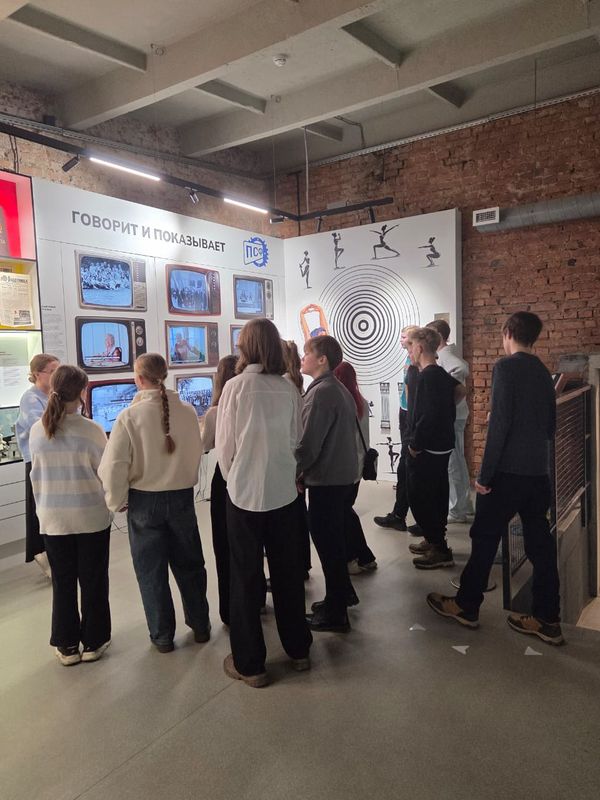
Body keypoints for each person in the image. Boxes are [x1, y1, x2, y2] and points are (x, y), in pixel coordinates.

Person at [427, 312, 563, 645]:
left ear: (508, 333)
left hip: (507, 473)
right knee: (540, 546)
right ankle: (548, 619)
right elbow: (550, 424)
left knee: (485, 537)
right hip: (538, 472)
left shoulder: (506, 368)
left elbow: (500, 425)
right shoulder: (543, 371)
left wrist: (485, 476)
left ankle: (467, 606)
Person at [216, 319, 312, 688]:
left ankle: (251, 664)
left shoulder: (235, 387)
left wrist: (235, 479)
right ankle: (299, 649)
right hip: (283, 493)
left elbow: (226, 447)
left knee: (245, 577)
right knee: (288, 573)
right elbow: (296, 439)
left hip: (244, 494)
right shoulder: (288, 388)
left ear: (245, 347)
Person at [99, 353, 209, 653]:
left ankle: (162, 637)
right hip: (182, 498)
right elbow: (197, 451)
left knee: (151, 572)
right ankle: (201, 625)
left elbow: (114, 465)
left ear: (139, 379)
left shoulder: (129, 417)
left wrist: (116, 500)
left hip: (144, 503)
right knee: (191, 565)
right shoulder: (187, 411)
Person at [29, 365, 111, 666]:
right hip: (91, 518)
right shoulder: (93, 430)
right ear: (82, 392)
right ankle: (94, 641)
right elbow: (105, 473)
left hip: (53, 520)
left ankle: (66, 646)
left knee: (63, 584)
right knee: (93, 581)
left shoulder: (38, 430)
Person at [296, 335, 359, 633]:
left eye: (307, 353)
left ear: (322, 360)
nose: (302, 358)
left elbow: (309, 444)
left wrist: (296, 472)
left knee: (328, 544)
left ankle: (336, 613)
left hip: (327, 479)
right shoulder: (335, 388)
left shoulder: (321, 393)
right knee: (334, 541)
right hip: (339, 476)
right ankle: (341, 596)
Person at [404, 327, 465, 569]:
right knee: (436, 493)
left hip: (427, 448)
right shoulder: (438, 373)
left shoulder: (427, 376)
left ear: (419, 348)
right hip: (441, 444)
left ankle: (439, 548)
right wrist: (445, 413)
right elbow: (461, 390)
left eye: (410, 346)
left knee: (422, 497)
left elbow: (426, 415)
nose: (409, 351)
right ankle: (434, 540)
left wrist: (415, 444)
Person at [201, 355, 238, 626]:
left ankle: (230, 609)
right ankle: (256, 598)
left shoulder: (216, 411)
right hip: (250, 475)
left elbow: (205, 446)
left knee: (224, 545)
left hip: (224, 478)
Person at [16, 353, 60, 577]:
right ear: (37, 374)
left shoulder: (54, 395)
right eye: (52, 371)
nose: (56, 375)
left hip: (54, 457)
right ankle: (41, 553)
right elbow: (41, 427)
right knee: (38, 509)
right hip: (36, 460)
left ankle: (53, 554)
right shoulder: (30, 398)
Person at [426, 319, 474, 523]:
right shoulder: (446, 354)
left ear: (438, 335)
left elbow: (462, 368)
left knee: (453, 463)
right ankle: (464, 504)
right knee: (458, 461)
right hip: (457, 414)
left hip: (453, 416)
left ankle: (456, 509)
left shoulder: (445, 355)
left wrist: (447, 398)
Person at [373, 326, 419, 532]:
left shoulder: (417, 364)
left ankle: (404, 516)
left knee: (407, 468)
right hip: (406, 412)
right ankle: (400, 515)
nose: (401, 340)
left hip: (410, 416)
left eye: (404, 337)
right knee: (404, 468)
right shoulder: (410, 359)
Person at [333, 361, 377, 574]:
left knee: (343, 514)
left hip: (345, 467)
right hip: (359, 466)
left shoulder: (344, 404)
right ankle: (364, 556)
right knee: (346, 512)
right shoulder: (362, 402)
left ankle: (355, 557)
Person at [282, 339, 311, 578]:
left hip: (289, 463)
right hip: (295, 462)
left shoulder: (285, 385)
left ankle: (297, 567)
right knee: (298, 516)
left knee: (291, 520)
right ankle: (302, 565)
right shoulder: (295, 382)